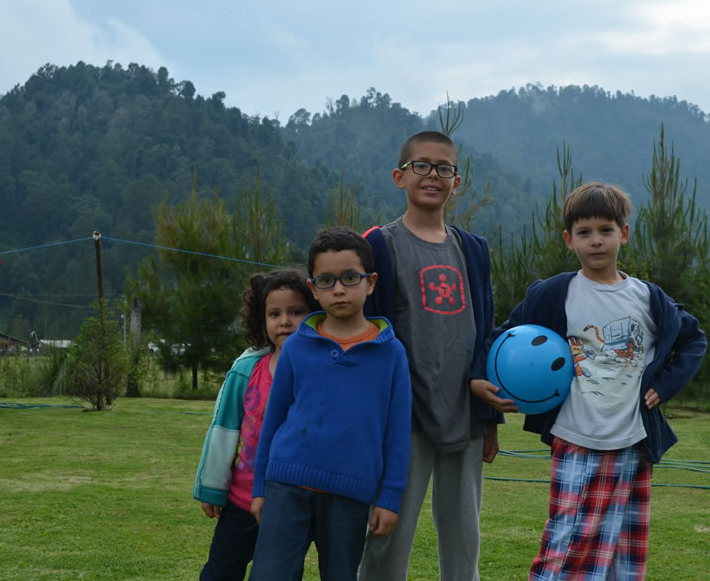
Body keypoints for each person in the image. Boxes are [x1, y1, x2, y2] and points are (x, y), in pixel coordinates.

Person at [479, 182, 706, 581]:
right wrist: (482, 381)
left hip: (633, 443)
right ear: (569, 239)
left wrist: (666, 385)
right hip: (576, 438)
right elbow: (502, 338)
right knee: (565, 546)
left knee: (623, 553)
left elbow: (693, 339)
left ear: (624, 233)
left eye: (606, 230)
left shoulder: (647, 298)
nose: (596, 241)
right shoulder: (555, 293)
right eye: (584, 232)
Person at [359, 130, 503, 581]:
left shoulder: (473, 250)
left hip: (465, 413)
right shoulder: (378, 245)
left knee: (464, 539)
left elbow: (485, 331)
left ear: (456, 182)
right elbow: (366, 332)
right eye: (420, 165)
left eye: (444, 168)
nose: (432, 175)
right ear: (399, 177)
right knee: (387, 533)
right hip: (402, 416)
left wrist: (489, 419)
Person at [248, 227, 412, 581]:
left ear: (370, 283)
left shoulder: (391, 353)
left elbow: (398, 432)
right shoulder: (296, 346)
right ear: (313, 288)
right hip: (285, 486)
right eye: (326, 280)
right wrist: (260, 487)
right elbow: (273, 421)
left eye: (350, 277)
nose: (338, 289)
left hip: (350, 494)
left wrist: (390, 498)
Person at [193, 268, 318, 581]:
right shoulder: (247, 369)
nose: (285, 321)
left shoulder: (323, 371)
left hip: (293, 506)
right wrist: (212, 489)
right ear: (261, 320)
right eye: (274, 314)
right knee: (219, 573)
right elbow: (223, 431)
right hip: (241, 502)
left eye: (296, 312)